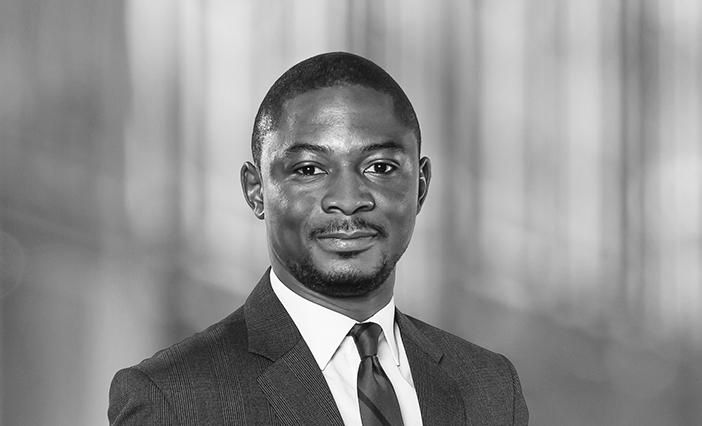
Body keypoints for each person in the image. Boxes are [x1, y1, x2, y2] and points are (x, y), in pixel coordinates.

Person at [108, 52, 529, 425]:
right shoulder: (173, 399)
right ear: (256, 191)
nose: (348, 200)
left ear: (420, 185)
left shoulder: (489, 387)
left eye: (380, 167)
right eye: (309, 170)